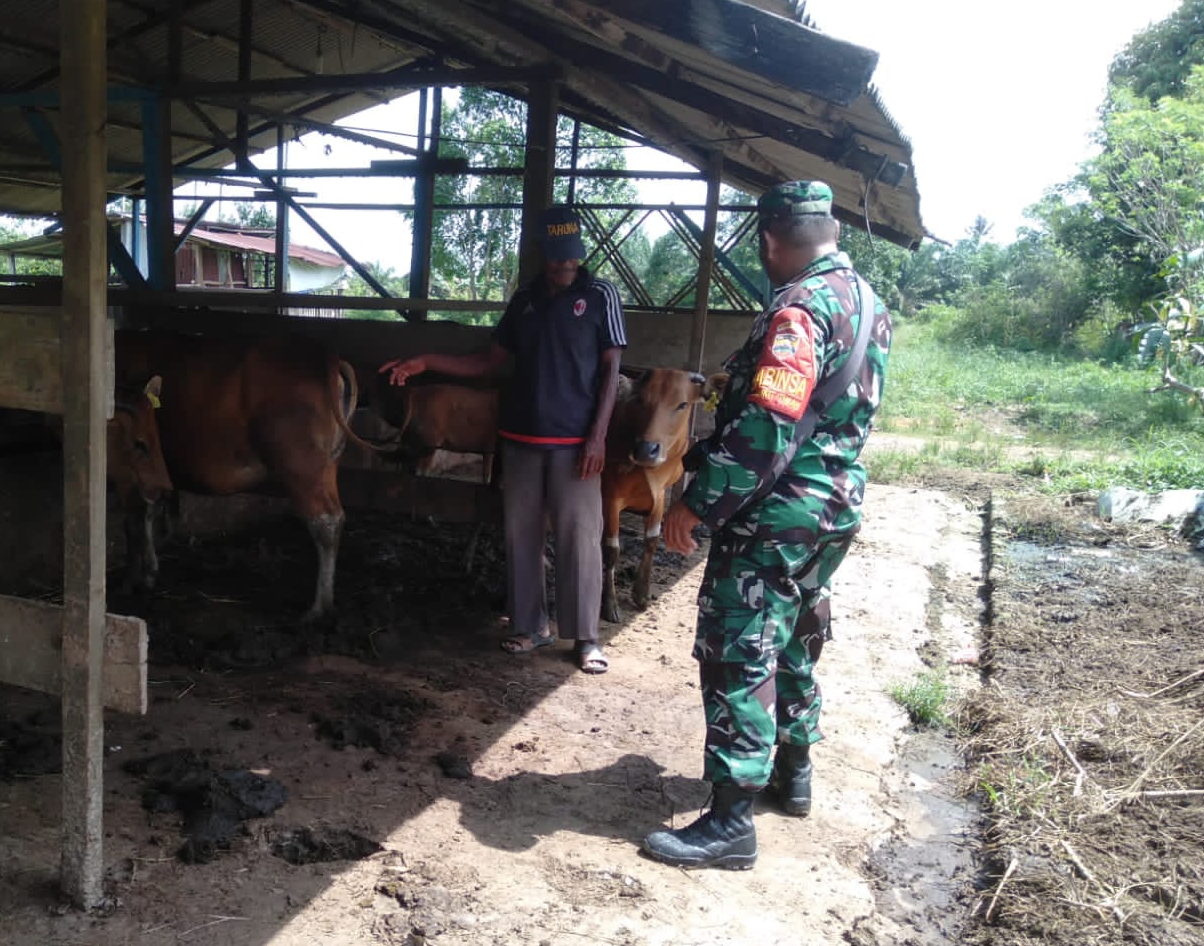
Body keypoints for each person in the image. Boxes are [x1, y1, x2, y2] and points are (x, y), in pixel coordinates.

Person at [644, 180, 890, 870]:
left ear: (770, 241)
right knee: (797, 636)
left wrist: (701, 503)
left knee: (739, 645)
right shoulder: (867, 302)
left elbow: (768, 425)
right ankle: (794, 773)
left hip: (779, 512)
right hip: (832, 508)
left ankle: (730, 821)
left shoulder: (799, 309)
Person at [380, 205, 627, 674]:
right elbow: (488, 362)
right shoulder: (525, 299)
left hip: (576, 443)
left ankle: (586, 637)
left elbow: (612, 368)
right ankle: (531, 625)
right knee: (521, 534)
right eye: (556, 259)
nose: (564, 267)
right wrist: (425, 362)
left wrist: (598, 437)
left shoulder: (600, 296)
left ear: (579, 254)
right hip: (520, 438)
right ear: (543, 255)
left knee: (580, 535)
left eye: (570, 258)